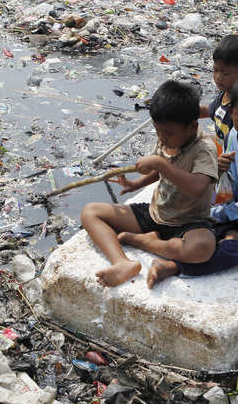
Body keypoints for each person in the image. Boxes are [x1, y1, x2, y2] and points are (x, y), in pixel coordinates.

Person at [132, 73, 238, 288]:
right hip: (237, 202)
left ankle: (176, 265)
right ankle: (210, 239)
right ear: (231, 113)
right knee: (204, 230)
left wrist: (218, 213)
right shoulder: (232, 136)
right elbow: (230, 180)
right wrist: (219, 170)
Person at [80, 80, 218, 288]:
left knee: (202, 248)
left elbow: (198, 187)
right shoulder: (167, 139)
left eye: (169, 133)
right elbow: (158, 172)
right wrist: (137, 184)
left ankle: (144, 241)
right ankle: (122, 263)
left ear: (193, 127)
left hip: (189, 222)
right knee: (90, 212)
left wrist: (161, 165)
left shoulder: (204, 149)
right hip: (156, 214)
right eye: (158, 131)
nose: (162, 137)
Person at [199, 34, 238, 151]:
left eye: (225, 73)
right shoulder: (226, 93)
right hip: (222, 147)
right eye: (215, 70)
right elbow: (209, 111)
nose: (218, 77)